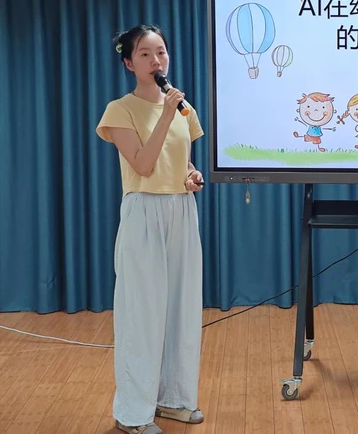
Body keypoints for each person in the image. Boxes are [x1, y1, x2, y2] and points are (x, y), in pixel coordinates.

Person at [96, 25, 205, 434]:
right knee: (142, 312)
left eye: (161, 52)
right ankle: (132, 413)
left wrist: (192, 176)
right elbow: (143, 165)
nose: (156, 61)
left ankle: (173, 398)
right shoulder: (119, 110)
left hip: (181, 209)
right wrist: (164, 114)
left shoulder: (183, 108)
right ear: (129, 63)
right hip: (143, 210)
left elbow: (181, 161)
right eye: (145, 54)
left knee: (181, 307)